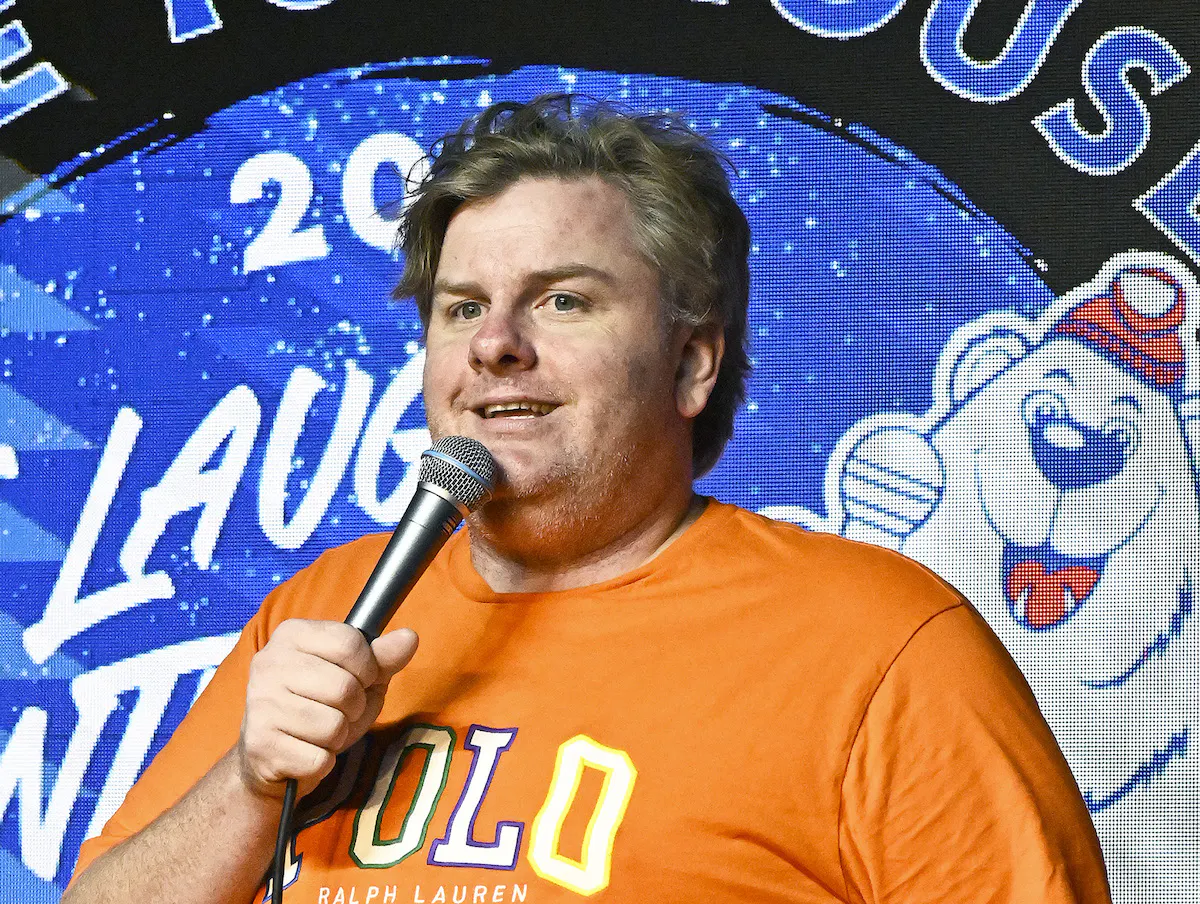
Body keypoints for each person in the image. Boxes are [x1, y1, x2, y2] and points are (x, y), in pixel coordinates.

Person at [64, 95, 1111, 904]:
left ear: (692, 364)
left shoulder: (885, 649)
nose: (493, 344)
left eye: (562, 300)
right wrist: (249, 786)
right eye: (460, 307)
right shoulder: (330, 611)